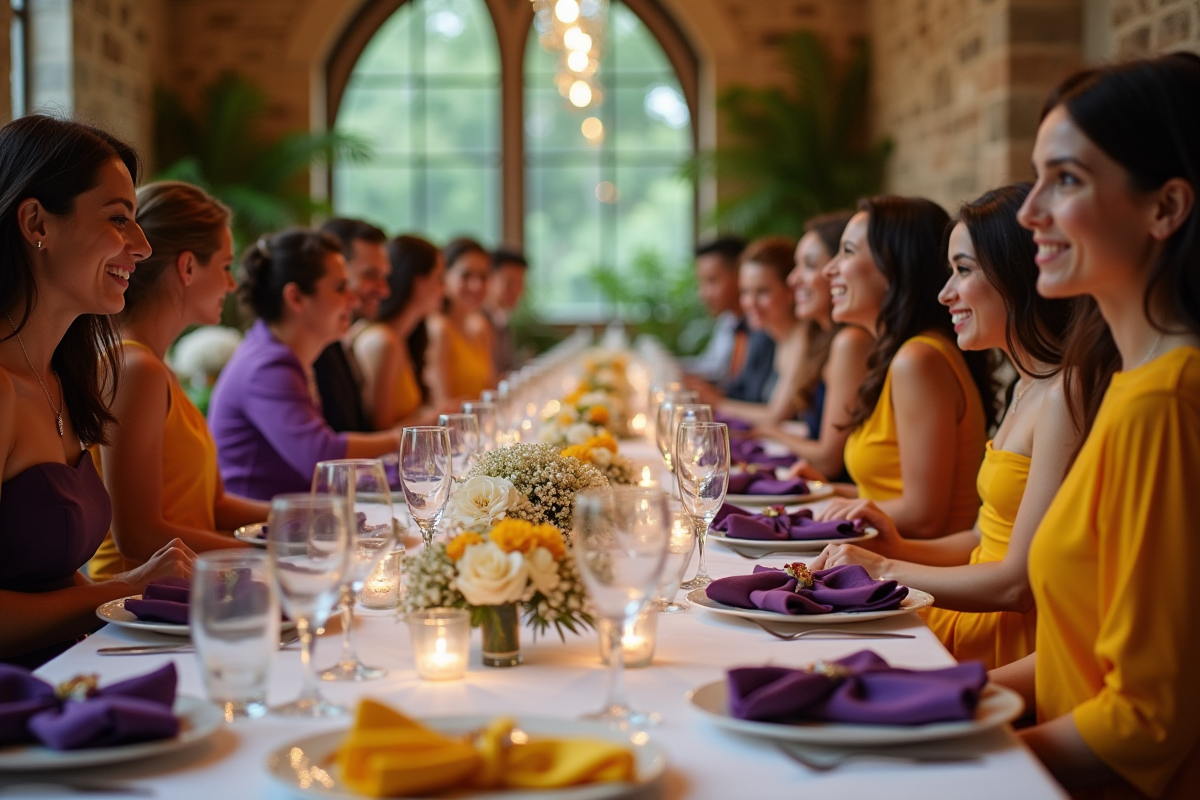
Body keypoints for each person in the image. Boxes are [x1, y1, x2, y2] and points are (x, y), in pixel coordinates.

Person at [988, 54, 1200, 799]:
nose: (1029, 212)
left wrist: (966, 765)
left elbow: (1147, 721)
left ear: (1165, 207)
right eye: (1036, 177)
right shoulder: (1129, 386)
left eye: (1067, 179)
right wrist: (930, 703)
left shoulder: (1163, 404)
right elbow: (1082, 647)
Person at [809, 185, 1079, 669]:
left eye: (963, 270)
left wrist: (885, 567)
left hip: (1000, 640)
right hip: (967, 612)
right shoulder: (1025, 387)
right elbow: (980, 538)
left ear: (1015, 271)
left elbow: (1016, 585)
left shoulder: (1063, 394)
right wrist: (898, 547)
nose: (944, 292)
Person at [0, 116, 192, 666]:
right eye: (118, 219)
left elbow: (52, 577)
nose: (143, 246)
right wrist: (128, 587)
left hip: (74, 672)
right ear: (36, 222)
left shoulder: (60, 380)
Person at [90, 182, 269, 581]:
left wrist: (306, 517)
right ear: (187, 267)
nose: (232, 284)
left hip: (190, 590)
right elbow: (138, 537)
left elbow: (215, 505)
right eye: (225, 266)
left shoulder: (158, 367)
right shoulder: (137, 369)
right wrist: (270, 556)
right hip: (136, 605)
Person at [804, 196, 996, 538]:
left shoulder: (918, 359)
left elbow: (924, 517)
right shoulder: (898, 355)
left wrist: (818, 508)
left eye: (847, 252)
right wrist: (822, 493)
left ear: (892, 269)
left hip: (920, 566)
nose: (829, 270)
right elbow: (886, 497)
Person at [207, 229, 403, 501]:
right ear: (296, 298)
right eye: (340, 288)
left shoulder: (282, 354)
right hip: (264, 524)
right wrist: (402, 440)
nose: (354, 299)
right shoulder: (267, 366)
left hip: (297, 516)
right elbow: (321, 456)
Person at [757, 212, 873, 478]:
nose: (792, 279)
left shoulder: (852, 341)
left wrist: (771, 431)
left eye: (808, 265)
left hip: (837, 493)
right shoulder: (818, 337)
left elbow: (829, 460)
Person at [714, 237, 815, 426]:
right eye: (745, 291)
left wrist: (715, 402)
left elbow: (776, 415)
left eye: (762, 292)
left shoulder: (803, 337)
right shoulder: (775, 336)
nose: (750, 303)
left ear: (790, 291)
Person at [353, 235, 448, 429]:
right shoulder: (383, 340)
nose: (444, 290)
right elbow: (381, 430)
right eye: (439, 279)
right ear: (418, 283)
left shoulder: (404, 337)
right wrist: (438, 417)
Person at [312, 218, 391, 432]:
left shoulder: (339, 340)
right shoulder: (310, 351)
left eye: (384, 276)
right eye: (371, 275)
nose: (384, 290)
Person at [426, 237, 494, 402]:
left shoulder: (481, 327)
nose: (476, 285)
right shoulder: (439, 329)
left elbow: (490, 393)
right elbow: (444, 405)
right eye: (466, 275)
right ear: (444, 276)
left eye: (483, 277)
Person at [682, 236, 747, 385]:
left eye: (712, 281)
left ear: (740, 276)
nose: (703, 294)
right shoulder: (728, 320)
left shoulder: (761, 326)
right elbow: (712, 366)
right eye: (700, 282)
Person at [485, 247, 528, 375]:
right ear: (489, 279)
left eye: (520, 283)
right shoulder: (479, 322)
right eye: (509, 283)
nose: (516, 290)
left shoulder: (501, 319)